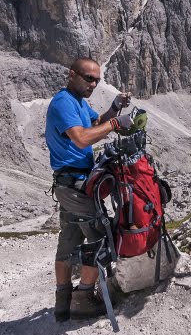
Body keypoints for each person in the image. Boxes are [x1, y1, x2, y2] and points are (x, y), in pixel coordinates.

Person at [45, 57, 133, 321]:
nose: (93, 84)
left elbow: (95, 126)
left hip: (71, 184)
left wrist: (114, 108)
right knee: (101, 238)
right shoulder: (62, 102)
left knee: (68, 241)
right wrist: (116, 125)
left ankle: (63, 304)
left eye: (97, 79)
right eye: (88, 78)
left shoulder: (79, 103)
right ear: (72, 74)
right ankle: (83, 298)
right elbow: (82, 139)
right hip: (75, 186)